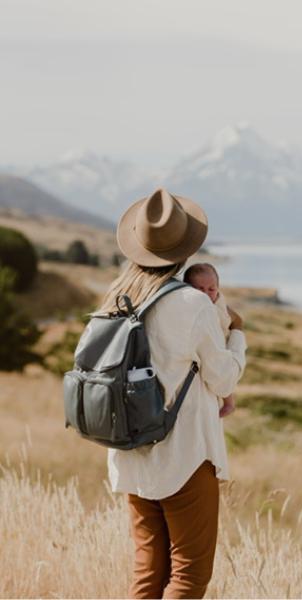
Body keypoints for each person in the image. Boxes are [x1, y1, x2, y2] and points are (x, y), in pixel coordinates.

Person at [100, 188, 247, 600]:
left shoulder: (118, 295)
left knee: (148, 574)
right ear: (185, 248)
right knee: (188, 576)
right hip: (184, 454)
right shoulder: (192, 303)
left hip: (129, 450)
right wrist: (238, 335)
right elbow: (223, 380)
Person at [183, 262, 236, 418]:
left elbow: (225, 321)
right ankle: (228, 403)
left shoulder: (218, 302)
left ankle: (229, 403)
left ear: (218, 289)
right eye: (199, 289)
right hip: (208, 348)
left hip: (221, 344)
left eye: (211, 289)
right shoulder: (191, 305)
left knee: (223, 375)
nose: (206, 293)